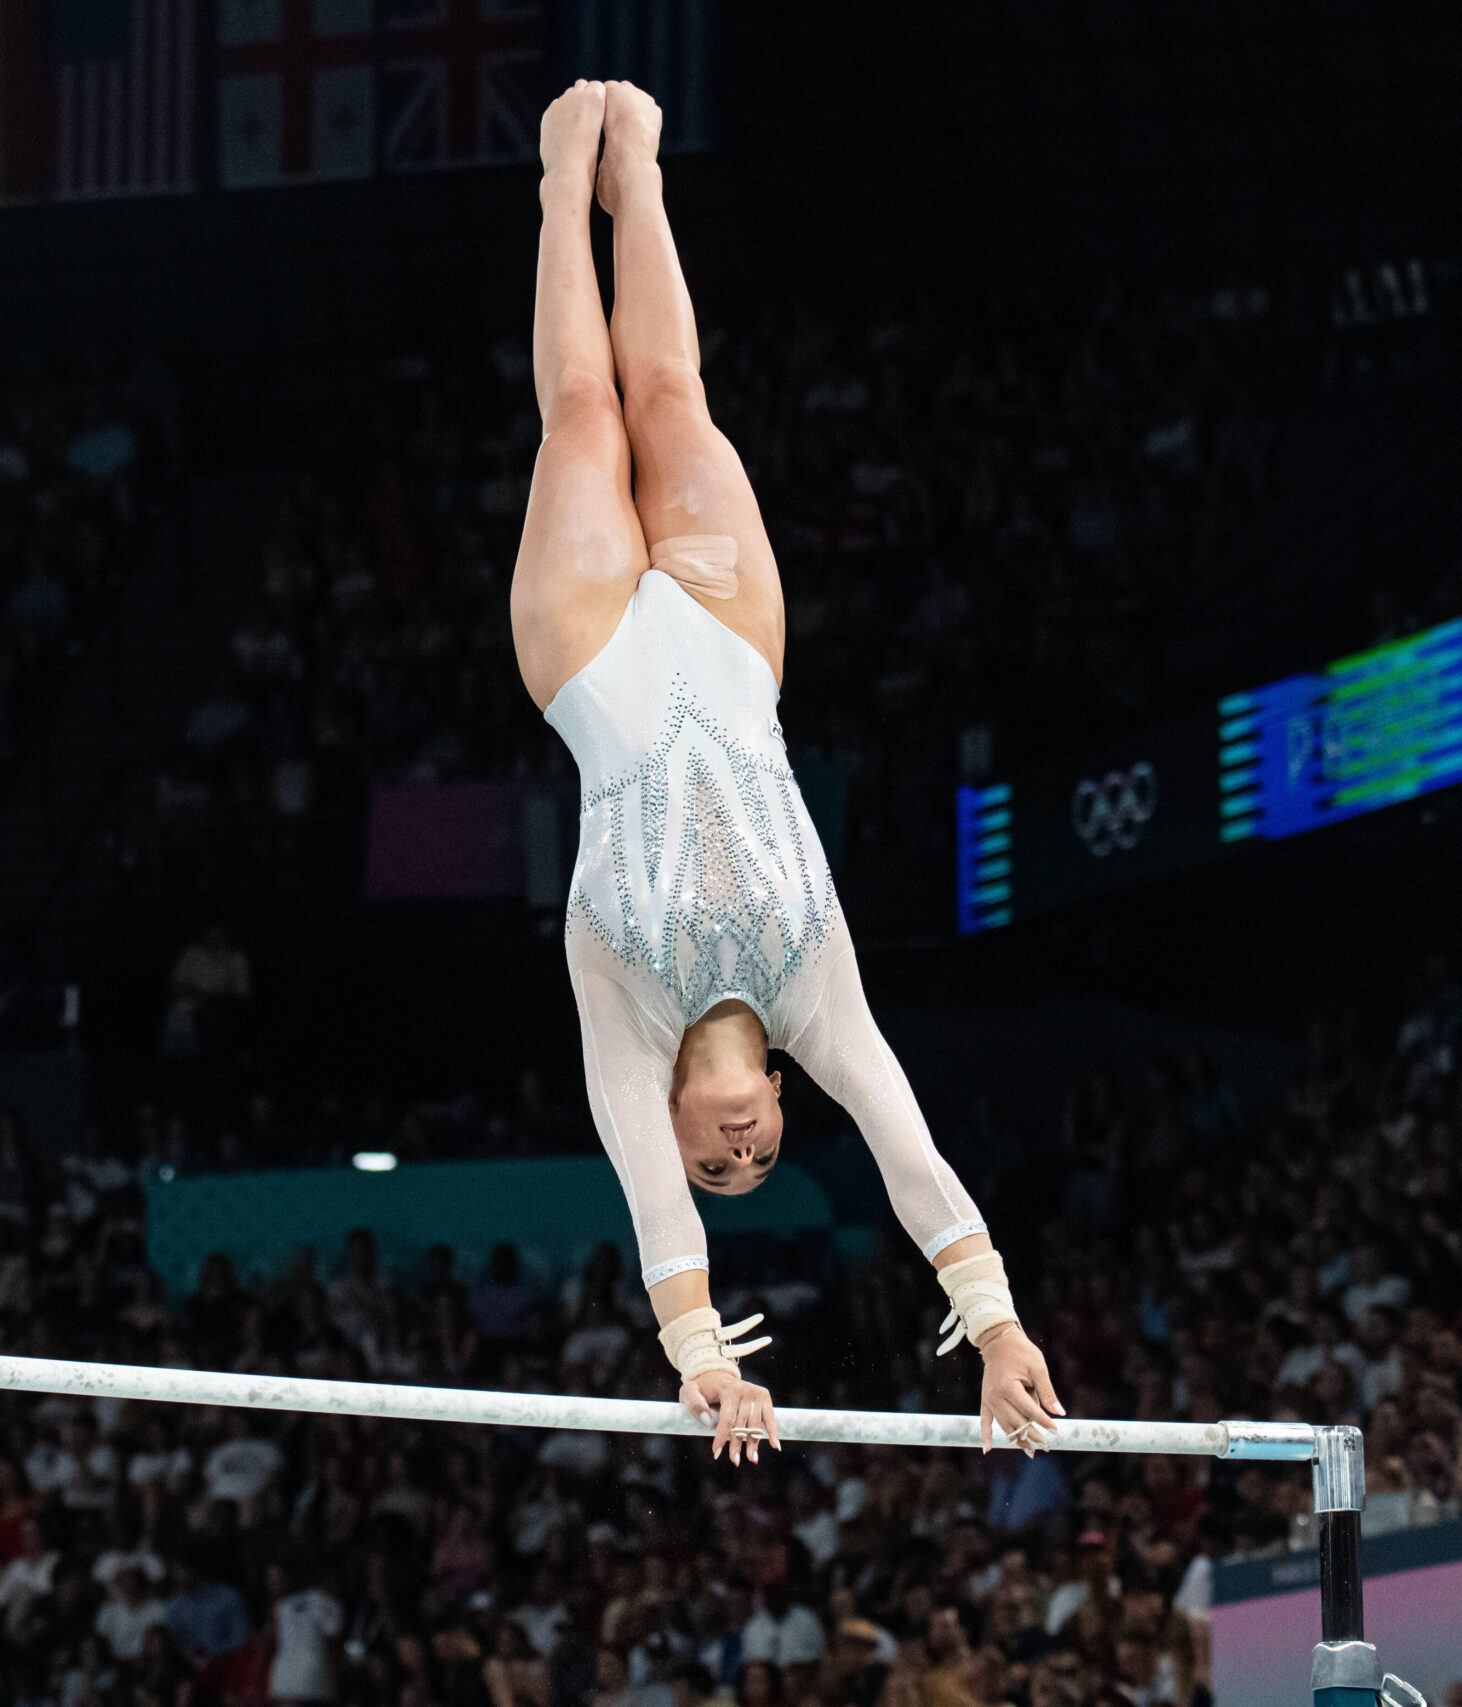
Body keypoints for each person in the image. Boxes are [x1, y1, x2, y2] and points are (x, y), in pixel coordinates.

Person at [509, 79, 1060, 1465]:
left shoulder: (627, 1035)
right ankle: (637, 173)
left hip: (585, 660)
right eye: (753, 1156)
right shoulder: (820, 1001)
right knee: (674, 390)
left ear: (688, 1115)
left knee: (584, 407)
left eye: (723, 1157)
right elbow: (913, 1153)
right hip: (730, 636)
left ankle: (558, 179)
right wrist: (993, 1322)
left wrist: (699, 1352)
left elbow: (657, 1216)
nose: (738, 1152)